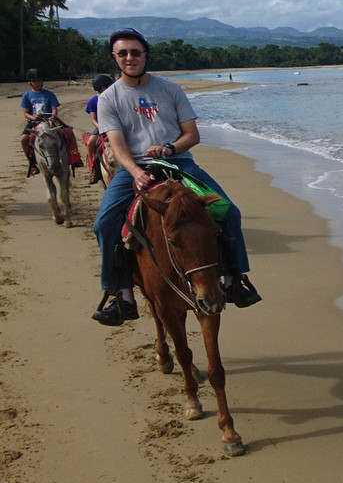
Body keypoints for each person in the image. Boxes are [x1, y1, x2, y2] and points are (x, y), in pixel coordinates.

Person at [91, 28, 261, 326]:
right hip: (136, 167)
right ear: (114, 58)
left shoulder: (171, 90)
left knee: (229, 211)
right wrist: (136, 172)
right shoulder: (109, 98)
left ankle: (237, 279)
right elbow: (117, 146)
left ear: (145, 55)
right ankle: (121, 295)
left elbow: (191, 135)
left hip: (179, 162)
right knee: (104, 224)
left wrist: (170, 148)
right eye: (123, 53)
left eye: (135, 52)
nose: (130, 57)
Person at [19, 68, 83, 177]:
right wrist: (34, 118)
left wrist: (53, 116)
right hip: (35, 121)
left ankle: (75, 157)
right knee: (24, 139)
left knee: (68, 132)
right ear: (30, 82)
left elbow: (54, 108)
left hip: (50, 119)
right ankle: (32, 163)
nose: (38, 83)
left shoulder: (49, 94)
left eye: (39, 80)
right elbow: (26, 113)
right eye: (35, 81)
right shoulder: (27, 96)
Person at [85, 73, 113, 184]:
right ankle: (93, 169)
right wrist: (101, 127)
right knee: (91, 143)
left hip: (117, 126)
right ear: (102, 87)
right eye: (109, 85)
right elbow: (93, 119)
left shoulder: (115, 97)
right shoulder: (93, 101)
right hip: (102, 127)